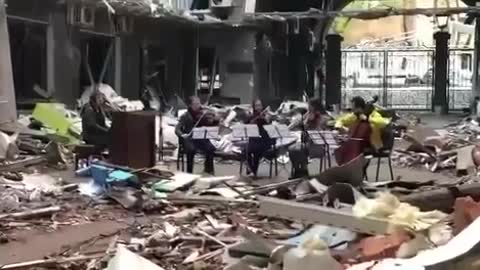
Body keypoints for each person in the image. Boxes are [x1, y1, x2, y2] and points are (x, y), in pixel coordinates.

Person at [334, 96, 391, 165]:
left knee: (352, 150)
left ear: (359, 107)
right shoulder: (355, 115)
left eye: (353, 108)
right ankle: (350, 168)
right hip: (360, 144)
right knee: (342, 147)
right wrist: (339, 127)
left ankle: (353, 167)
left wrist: (368, 119)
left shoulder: (373, 114)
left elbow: (383, 123)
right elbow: (341, 120)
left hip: (372, 145)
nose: (352, 110)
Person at [175, 96, 218, 174]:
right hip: (189, 139)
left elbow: (210, 124)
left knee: (211, 148)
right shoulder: (185, 116)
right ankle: (189, 172)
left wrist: (214, 120)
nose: (199, 105)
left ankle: (209, 170)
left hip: (201, 139)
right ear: (191, 105)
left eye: (199, 103)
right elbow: (177, 129)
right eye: (196, 104)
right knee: (191, 150)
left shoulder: (202, 114)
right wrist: (182, 135)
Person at [288, 98, 330, 178]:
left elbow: (321, 131)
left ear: (315, 106)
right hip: (307, 143)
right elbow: (300, 125)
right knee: (291, 149)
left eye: (309, 106)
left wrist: (313, 122)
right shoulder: (308, 114)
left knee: (300, 149)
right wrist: (304, 120)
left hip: (318, 145)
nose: (308, 107)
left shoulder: (323, 116)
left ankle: (304, 171)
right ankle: (298, 170)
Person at [244, 99, 273, 177]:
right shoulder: (252, 115)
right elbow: (245, 124)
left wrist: (266, 117)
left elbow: (269, 125)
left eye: (259, 105)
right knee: (246, 149)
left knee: (255, 149)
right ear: (254, 106)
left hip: (264, 140)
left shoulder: (266, 115)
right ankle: (251, 169)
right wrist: (251, 120)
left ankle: (252, 170)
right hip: (254, 139)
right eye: (256, 105)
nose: (258, 107)